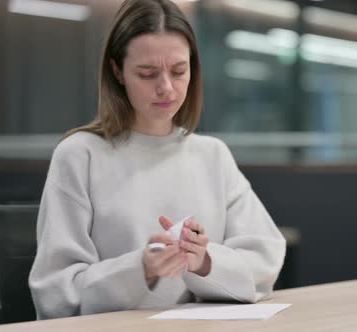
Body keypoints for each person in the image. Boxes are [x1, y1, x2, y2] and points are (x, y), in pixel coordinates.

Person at [28, 0, 286, 320]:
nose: (166, 87)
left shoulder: (212, 155)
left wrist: (204, 261)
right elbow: (55, 292)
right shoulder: (80, 156)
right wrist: (141, 270)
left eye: (179, 71)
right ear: (117, 71)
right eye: (147, 73)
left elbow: (264, 261)